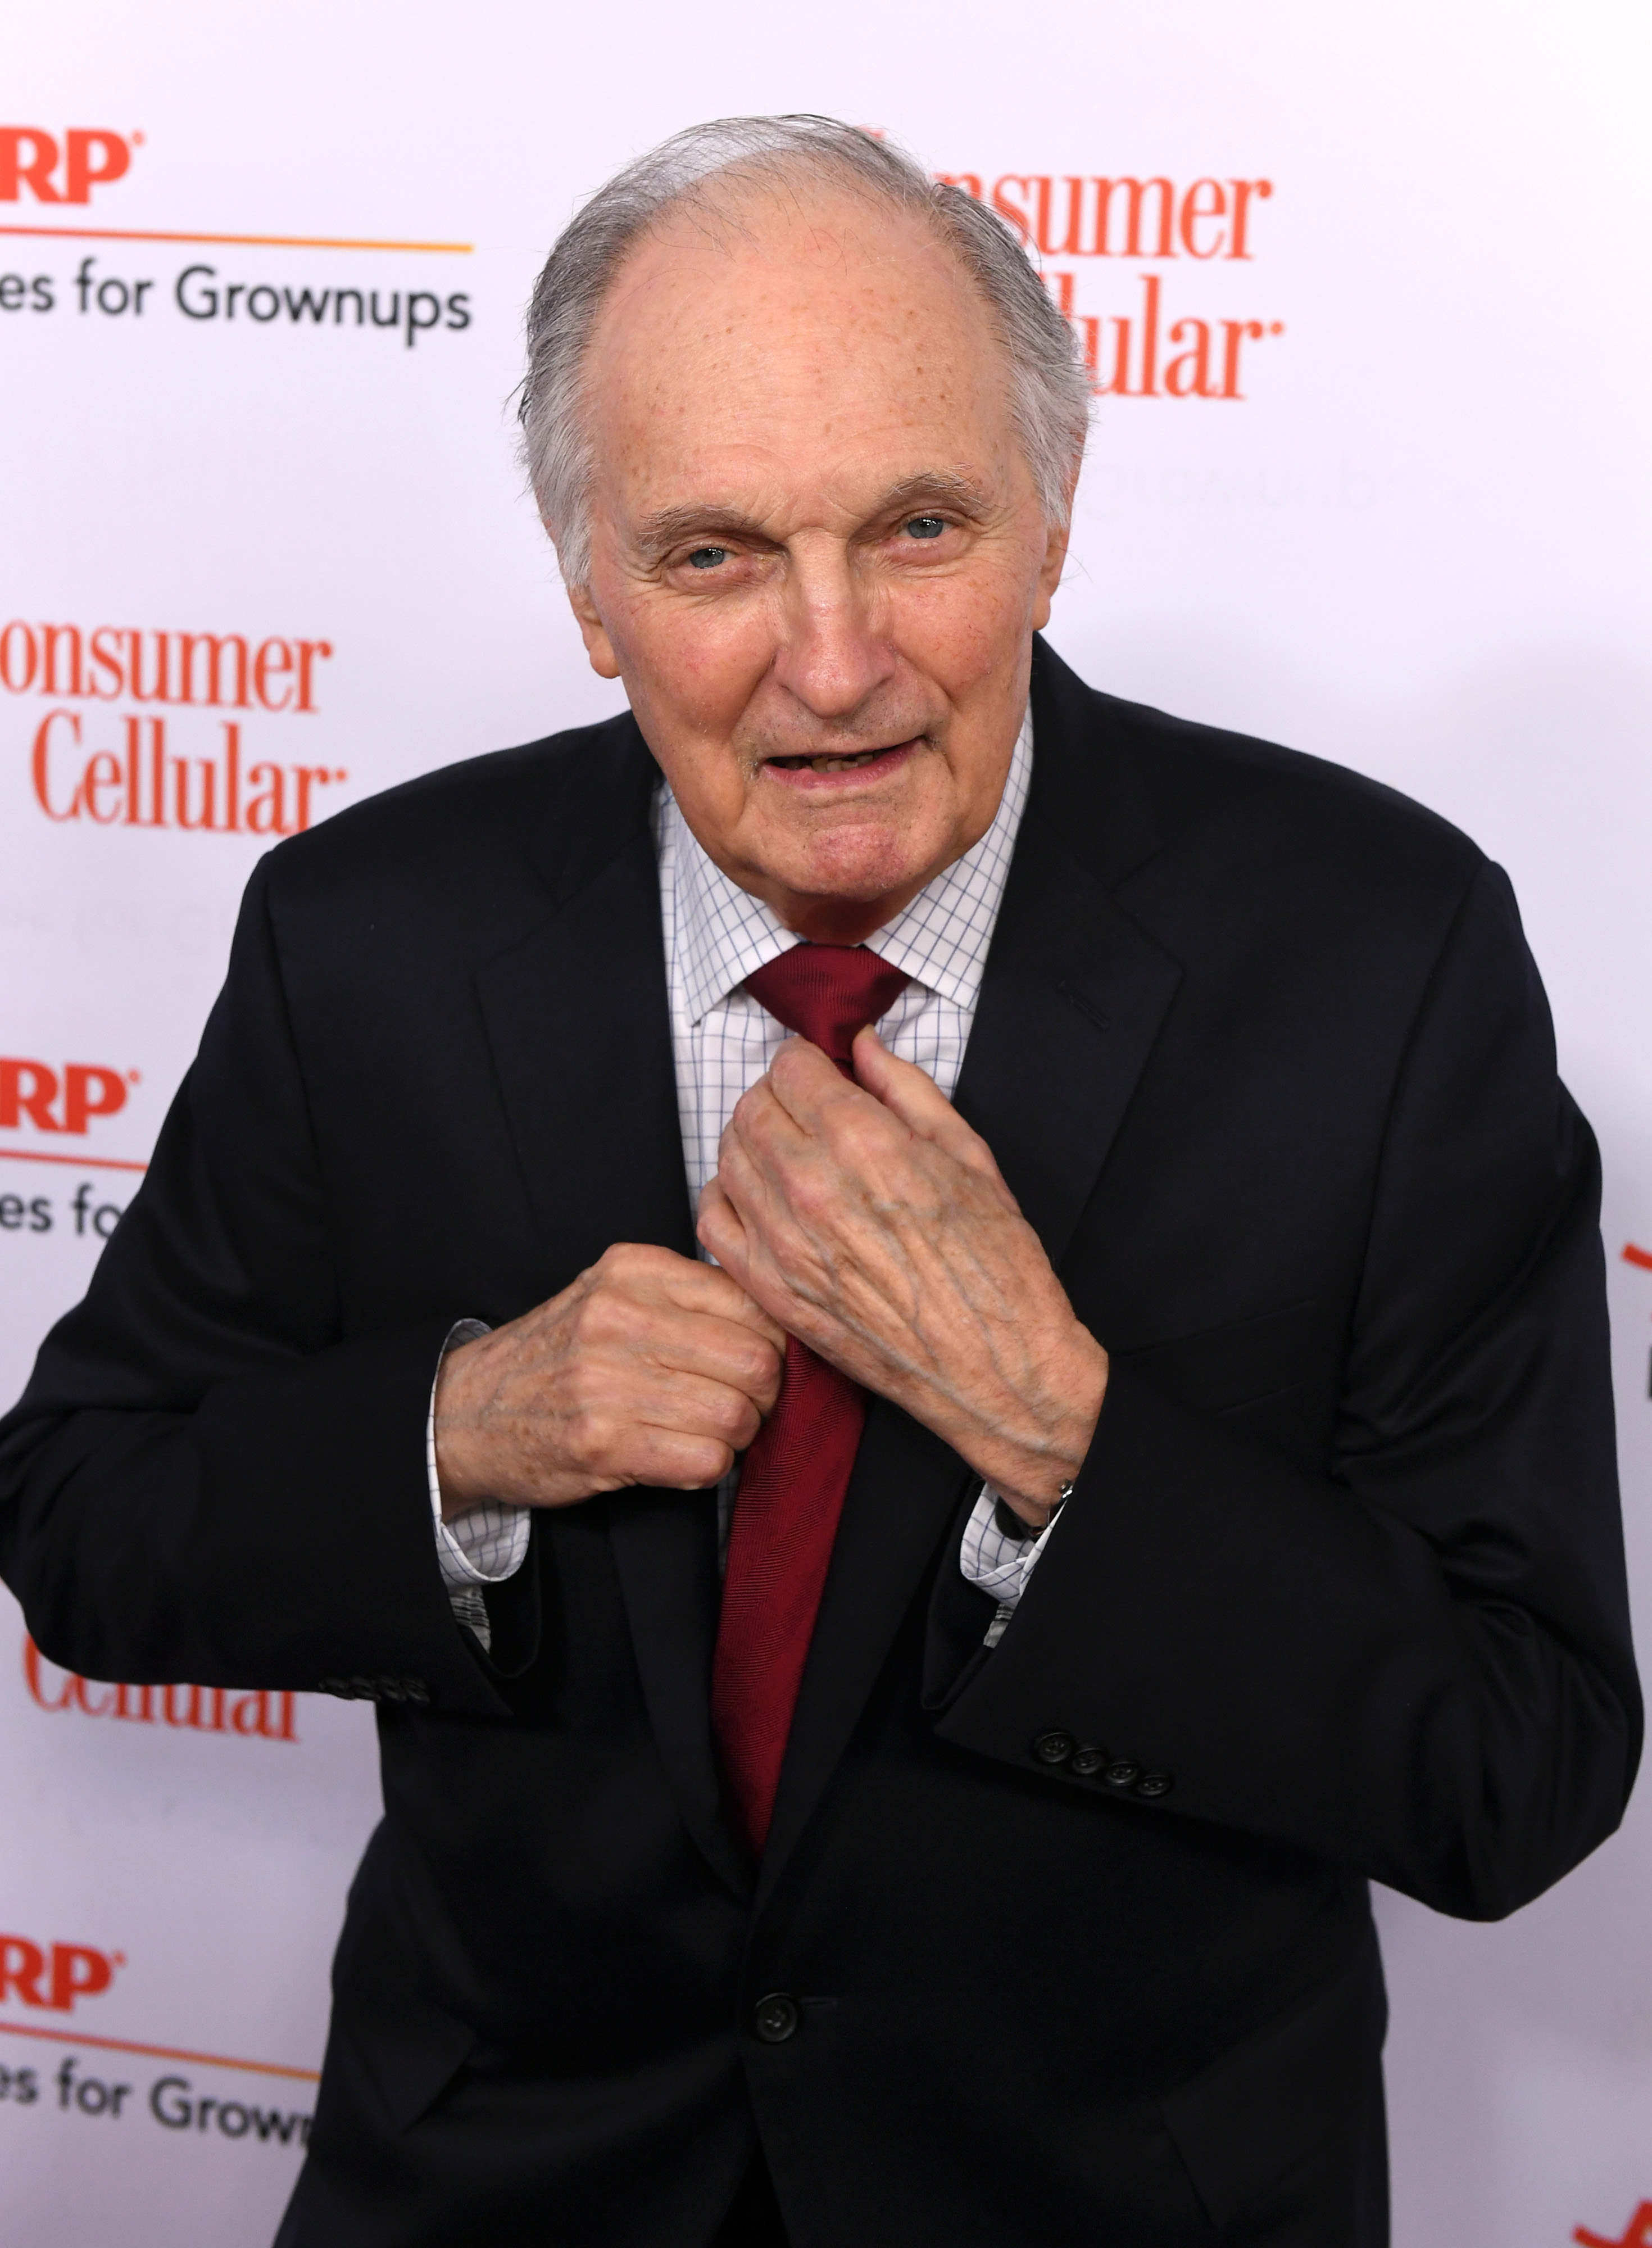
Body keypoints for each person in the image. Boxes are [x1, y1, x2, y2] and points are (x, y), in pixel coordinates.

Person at [0, 116, 1637, 2248]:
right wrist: (464, 1431)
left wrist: (1062, 1431)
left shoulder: (1377, 955)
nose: (836, 657)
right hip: (504, 2193)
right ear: (588, 591)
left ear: (1052, 520)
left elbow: (1515, 1758)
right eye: (712, 556)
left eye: (920, 526)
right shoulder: (367, 934)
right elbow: (80, 1511)